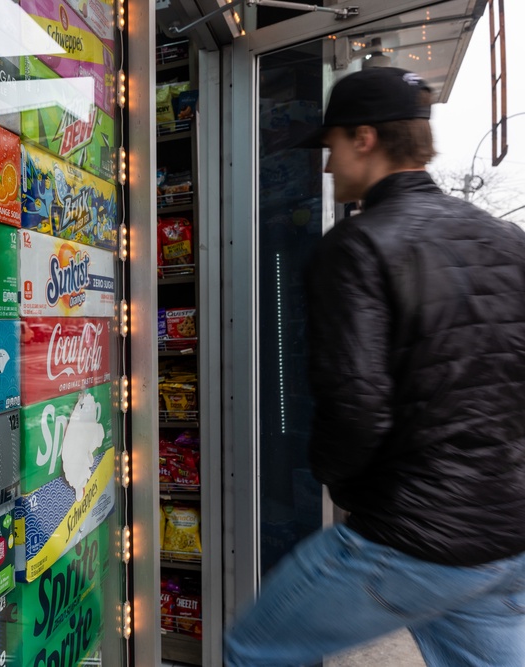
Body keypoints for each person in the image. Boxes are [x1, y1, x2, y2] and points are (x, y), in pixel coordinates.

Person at [224, 67, 525, 666]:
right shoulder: (506, 239)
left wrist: (334, 479)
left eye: (331, 145)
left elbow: (356, 407)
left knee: (252, 648)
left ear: (364, 138)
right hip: (507, 536)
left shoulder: (357, 246)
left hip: (414, 535)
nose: (327, 165)